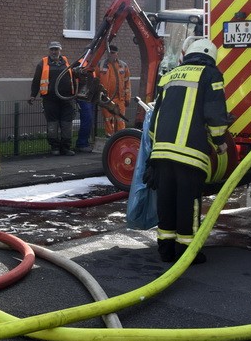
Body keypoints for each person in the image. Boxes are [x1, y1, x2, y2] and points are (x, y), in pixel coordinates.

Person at [148, 38, 229, 266]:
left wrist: (153, 154)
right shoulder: (210, 75)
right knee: (188, 202)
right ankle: (186, 252)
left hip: (162, 151)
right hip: (190, 154)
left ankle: (165, 249)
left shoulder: (171, 75)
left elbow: (155, 118)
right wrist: (219, 141)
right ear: (211, 57)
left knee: (166, 200)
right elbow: (214, 113)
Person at [29, 41, 76, 155]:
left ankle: (66, 147)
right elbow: (36, 80)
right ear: (49, 50)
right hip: (50, 99)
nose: (54, 52)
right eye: (52, 49)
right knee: (52, 123)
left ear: (60, 50)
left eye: (56, 49)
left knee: (66, 123)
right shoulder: (43, 63)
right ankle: (54, 147)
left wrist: (76, 93)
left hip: (67, 98)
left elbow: (73, 78)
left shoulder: (66, 62)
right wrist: (33, 95)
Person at [98, 44, 133, 136]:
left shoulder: (123, 66)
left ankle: (120, 137)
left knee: (120, 120)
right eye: (109, 53)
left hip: (120, 98)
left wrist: (127, 97)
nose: (110, 55)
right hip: (106, 99)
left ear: (117, 54)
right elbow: (96, 80)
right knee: (108, 119)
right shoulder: (101, 65)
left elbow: (127, 83)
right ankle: (109, 138)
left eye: (113, 53)